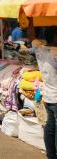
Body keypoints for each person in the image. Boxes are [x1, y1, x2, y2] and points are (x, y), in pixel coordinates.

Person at [35, 27, 57, 159]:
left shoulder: (39, 49)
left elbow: (33, 39)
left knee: (50, 126)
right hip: (55, 96)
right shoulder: (55, 52)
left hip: (48, 94)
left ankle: (50, 154)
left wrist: (30, 20)